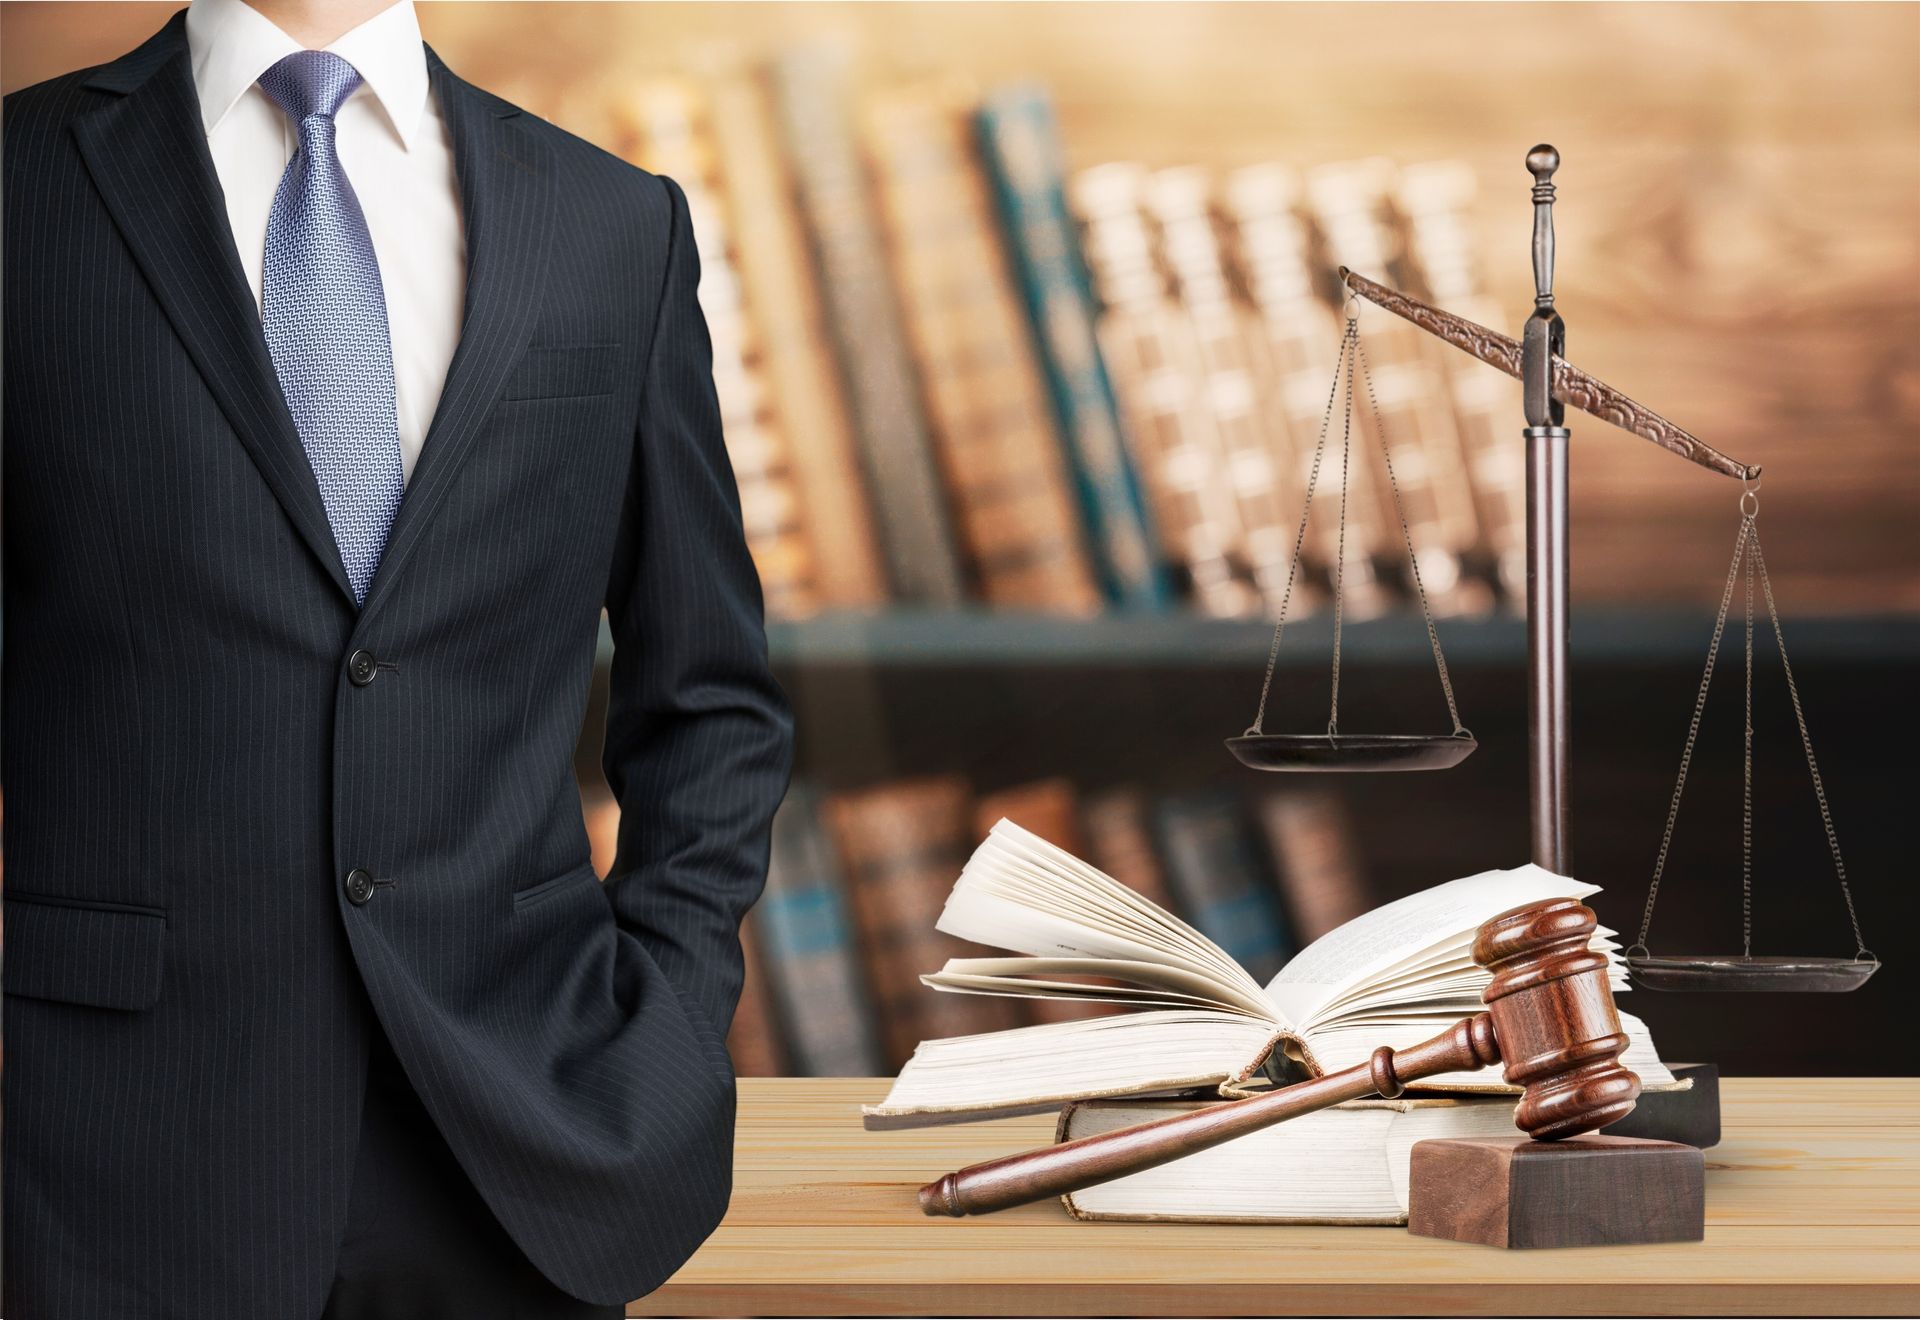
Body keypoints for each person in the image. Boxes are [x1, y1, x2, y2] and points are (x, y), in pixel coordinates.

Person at [2, 0, 794, 1315]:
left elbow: (711, 699)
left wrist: (664, 1023)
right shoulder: (28, 187)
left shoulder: (612, 224)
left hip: (529, 1141)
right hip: (102, 1160)